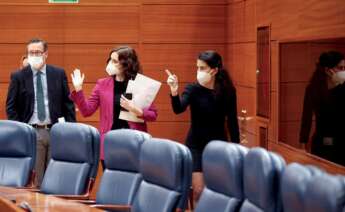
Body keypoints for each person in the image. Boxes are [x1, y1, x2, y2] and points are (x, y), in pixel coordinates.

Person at [165, 50, 240, 203]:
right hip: (196, 146)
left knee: (217, 190)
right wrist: (174, 91)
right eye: (197, 67)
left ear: (214, 70)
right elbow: (178, 109)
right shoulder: (193, 89)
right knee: (198, 189)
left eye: (202, 68)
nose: (198, 72)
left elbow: (232, 121)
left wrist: (237, 148)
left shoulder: (228, 91)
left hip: (219, 145)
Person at [70, 46, 157, 169]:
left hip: (133, 143)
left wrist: (137, 111)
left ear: (127, 64)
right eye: (110, 60)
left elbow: (153, 115)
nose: (110, 64)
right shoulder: (102, 84)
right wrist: (78, 89)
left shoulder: (140, 85)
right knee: (111, 182)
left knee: (132, 183)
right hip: (110, 142)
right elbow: (87, 111)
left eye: (115, 61)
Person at [6, 38, 76, 186]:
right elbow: (11, 107)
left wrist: (70, 130)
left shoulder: (58, 73)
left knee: (55, 177)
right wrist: (21, 131)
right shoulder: (18, 76)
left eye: (38, 52)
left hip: (56, 131)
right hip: (32, 132)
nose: (34, 55)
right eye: (31, 53)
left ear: (46, 54)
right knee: (36, 179)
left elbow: (68, 104)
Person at [299, 50, 345, 166]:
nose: (344, 71)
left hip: (342, 145)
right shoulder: (313, 89)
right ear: (327, 70)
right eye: (340, 68)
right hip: (321, 144)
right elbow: (306, 118)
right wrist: (303, 144)